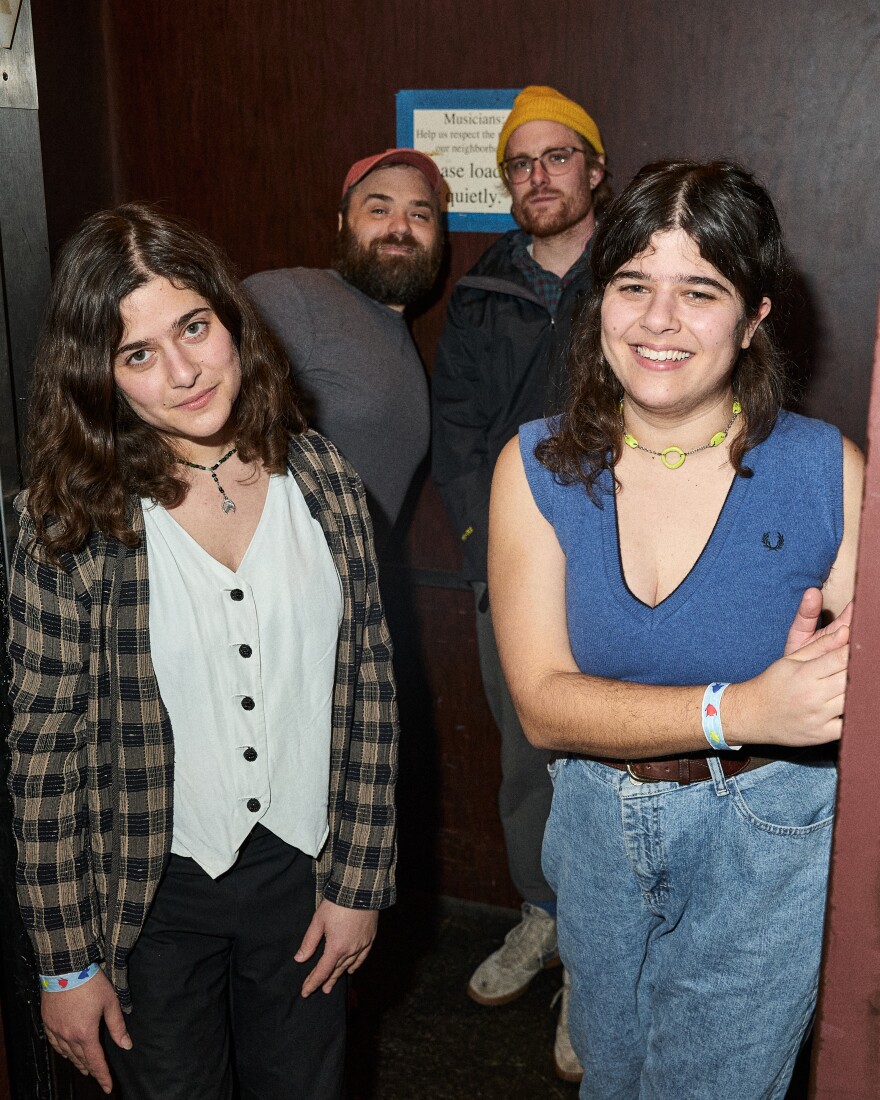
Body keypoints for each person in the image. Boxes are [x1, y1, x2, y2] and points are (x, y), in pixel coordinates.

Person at [6, 203, 399, 1099]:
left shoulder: (323, 479)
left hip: (306, 872)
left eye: (193, 327)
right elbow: (44, 757)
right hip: (151, 895)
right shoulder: (67, 522)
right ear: (98, 376)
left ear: (230, 318)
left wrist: (361, 880)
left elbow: (368, 686)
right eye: (138, 354)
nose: (183, 372)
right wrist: (65, 966)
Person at [489, 159, 863, 1099]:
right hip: (593, 825)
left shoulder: (829, 473)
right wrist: (747, 706)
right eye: (632, 286)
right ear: (598, 299)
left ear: (754, 317)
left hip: (766, 831)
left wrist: (802, 708)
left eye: (700, 291)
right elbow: (543, 706)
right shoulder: (535, 464)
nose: (658, 321)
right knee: (612, 1080)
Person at [431, 84, 611, 1080]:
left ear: (593, 168)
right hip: (514, 570)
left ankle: (597, 956)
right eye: (518, 163)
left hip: (624, 571)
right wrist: (479, 544)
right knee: (526, 755)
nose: (537, 177)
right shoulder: (483, 289)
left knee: (615, 766)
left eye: (556, 156)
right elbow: (455, 430)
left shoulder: (637, 271)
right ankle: (541, 914)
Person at [244, 148, 444, 548]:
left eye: (419, 214)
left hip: (353, 596)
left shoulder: (402, 340)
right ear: (342, 223)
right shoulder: (294, 296)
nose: (401, 227)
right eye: (379, 210)